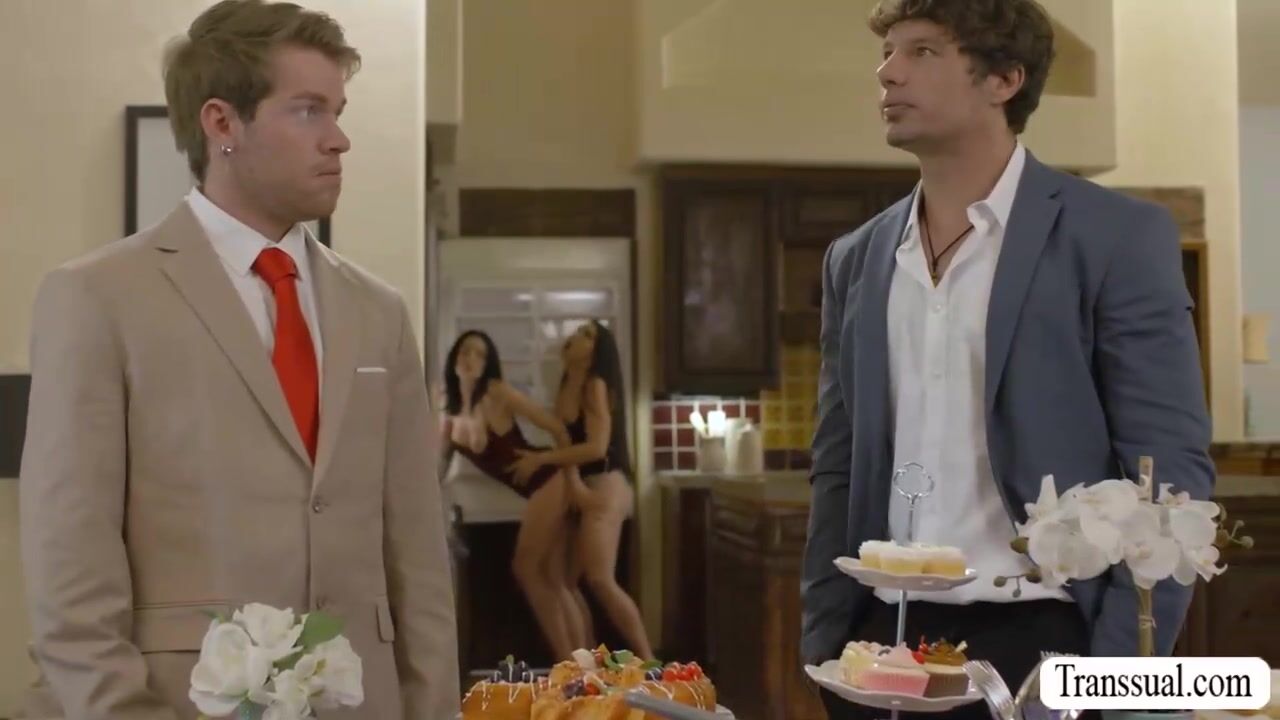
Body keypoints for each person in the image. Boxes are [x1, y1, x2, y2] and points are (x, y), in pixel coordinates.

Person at [18, 2, 460, 718]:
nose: (339, 139)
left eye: (338, 112)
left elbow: (417, 555)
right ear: (222, 123)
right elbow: (70, 562)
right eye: (309, 111)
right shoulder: (98, 297)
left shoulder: (379, 311)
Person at [800, 1, 1214, 717]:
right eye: (888, 52)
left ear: (1004, 79)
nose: (888, 73)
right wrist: (824, 640)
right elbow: (837, 462)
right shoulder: (856, 258)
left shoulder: (1115, 236)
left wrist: (1119, 682)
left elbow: (1169, 477)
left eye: (922, 51)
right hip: (881, 642)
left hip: (1047, 634)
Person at [510, 320, 655, 660]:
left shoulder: (595, 385)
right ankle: (586, 663)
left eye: (587, 335)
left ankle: (651, 661)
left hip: (606, 482)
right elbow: (568, 441)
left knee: (600, 579)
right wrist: (572, 481)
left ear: (596, 352)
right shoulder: (568, 382)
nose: (575, 337)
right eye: (578, 332)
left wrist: (542, 459)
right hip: (584, 483)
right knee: (564, 580)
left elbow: (596, 447)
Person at [441, 329, 582, 661]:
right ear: (455, 360)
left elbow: (557, 429)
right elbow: (437, 468)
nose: (471, 358)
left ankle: (569, 662)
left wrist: (565, 476)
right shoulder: (451, 414)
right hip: (538, 489)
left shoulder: (497, 392)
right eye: (465, 351)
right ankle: (584, 666)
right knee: (555, 579)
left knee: (526, 569)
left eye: (480, 354)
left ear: (488, 363)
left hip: (549, 481)